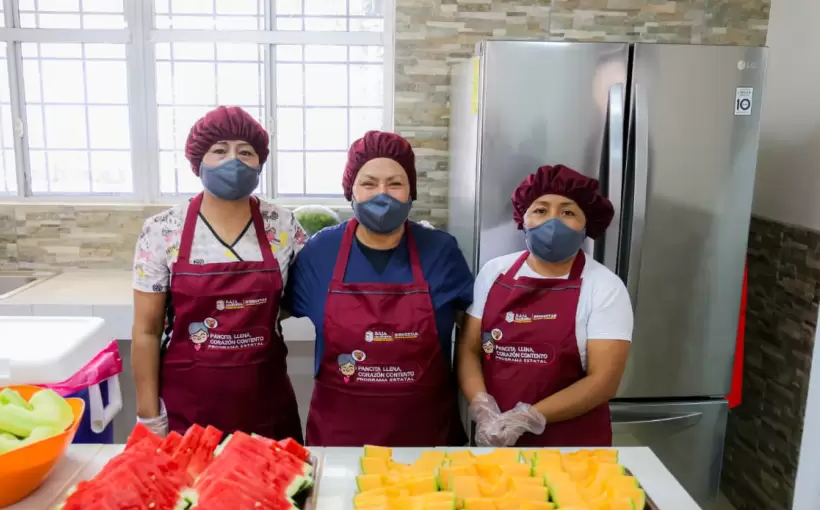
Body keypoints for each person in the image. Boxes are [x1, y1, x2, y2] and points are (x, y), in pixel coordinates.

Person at [285, 131, 475, 446]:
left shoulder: (441, 251)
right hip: (341, 443)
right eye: (369, 183)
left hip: (427, 439)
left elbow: (472, 333)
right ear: (351, 190)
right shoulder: (321, 252)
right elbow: (272, 313)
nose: (382, 195)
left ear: (411, 190)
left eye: (395, 183)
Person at [132, 106, 306, 439]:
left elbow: (300, 295)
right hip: (188, 411)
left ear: (260, 162)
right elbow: (146, 331)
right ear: (198, 161)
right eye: (219, 150)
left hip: (266, 408)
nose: (233, 161)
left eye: (246, 152)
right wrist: (149, 418)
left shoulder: (283, 224)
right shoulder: (163, 229)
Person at [456, 164, 633, 447]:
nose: (553, 222)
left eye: (568, 212)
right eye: (540, 210)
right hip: (496, 440)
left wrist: (526, 418)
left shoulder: (604, 287)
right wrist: (482, 407)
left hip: (573, 447)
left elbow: (603, 381)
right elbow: (468, 348)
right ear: (523, 219)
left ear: (586, 224)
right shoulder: (494, 272)